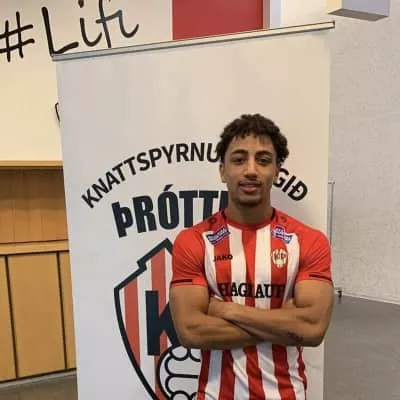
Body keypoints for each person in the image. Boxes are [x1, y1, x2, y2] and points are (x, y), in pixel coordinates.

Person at [169, 114, 334, 400]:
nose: (251, 170)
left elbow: (312, 329)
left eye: (263, 160)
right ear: (222, 171)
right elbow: (191, 332)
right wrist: (285, 323)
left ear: (277, 171)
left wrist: (227, 311)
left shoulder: (309, 240)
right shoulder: (194, 241)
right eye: (239, 159)